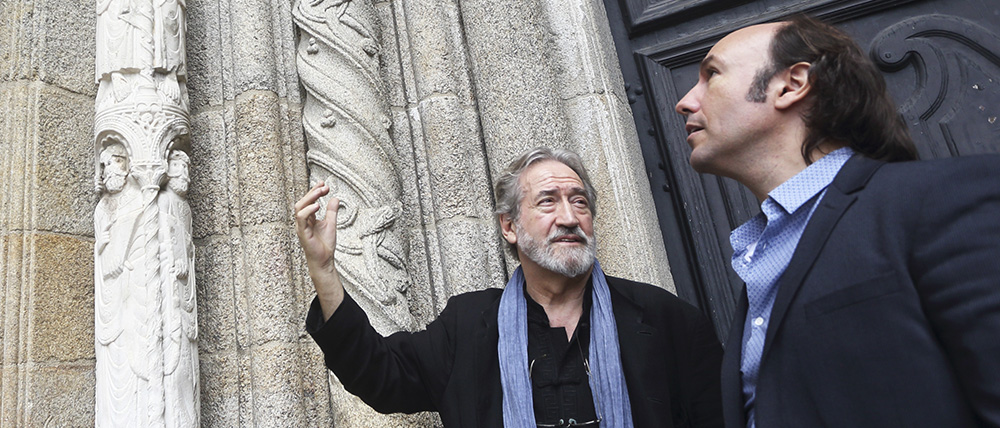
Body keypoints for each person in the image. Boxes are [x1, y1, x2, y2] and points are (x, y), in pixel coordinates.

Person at [674, 15, 1000, 428]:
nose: (685, 100)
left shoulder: (942, 200)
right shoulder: (760, 256)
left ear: (792, 84)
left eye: (711, 74)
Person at [295, 147, 724, 427]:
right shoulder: (468, 325)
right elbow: (379, 375)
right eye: (547, 201)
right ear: (510, 227)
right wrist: (325, 269)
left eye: (579, 201)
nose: (570, 217)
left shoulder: (666, 318)